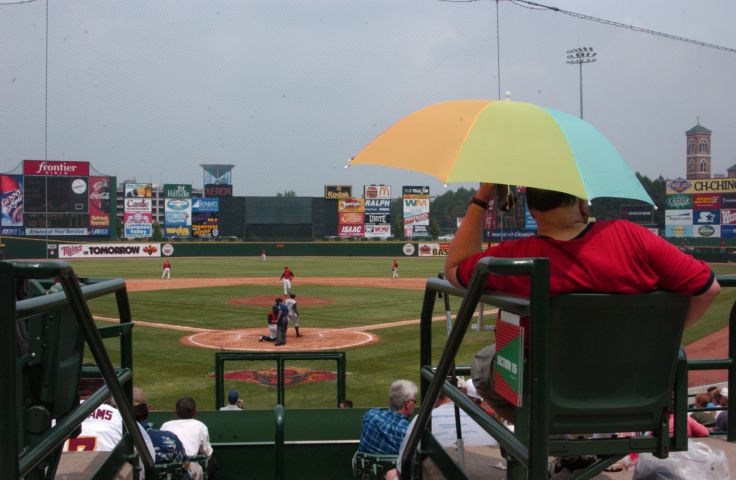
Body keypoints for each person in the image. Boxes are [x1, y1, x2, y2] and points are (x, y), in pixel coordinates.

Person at [445, 184, 720, 424]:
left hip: (549, 396)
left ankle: (537, 433)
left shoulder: (514, 258)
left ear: (531, 211)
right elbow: (709, 289)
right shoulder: (633, 237)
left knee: (482, 365)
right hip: (633, 389)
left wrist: (483, 197)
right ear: (582, 204)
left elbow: (455, 270)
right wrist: (660, 341)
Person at [386, 390, 498, 479]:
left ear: (434, 397)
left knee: (391, 474)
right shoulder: (485, 418)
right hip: (489, 472)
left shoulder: (421, 418)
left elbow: (402, 472)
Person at [133, 388, 202, 480]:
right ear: (147, 410)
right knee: (196, 468)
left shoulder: (115, 439)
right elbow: (184, 467)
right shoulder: (169, 439)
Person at [356, 379, 418, 455]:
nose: (415, 405)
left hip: (363, 466)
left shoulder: (371, 415)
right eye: (415, 401)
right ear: (408, 404)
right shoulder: (407, 432)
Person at [161, 397, 217, 479]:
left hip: (170, 467)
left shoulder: (166, 425)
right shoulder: (200, 426)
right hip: (188, 466)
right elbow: (207, 454)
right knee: (212, 462)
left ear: (175, 411)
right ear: (194, 412)